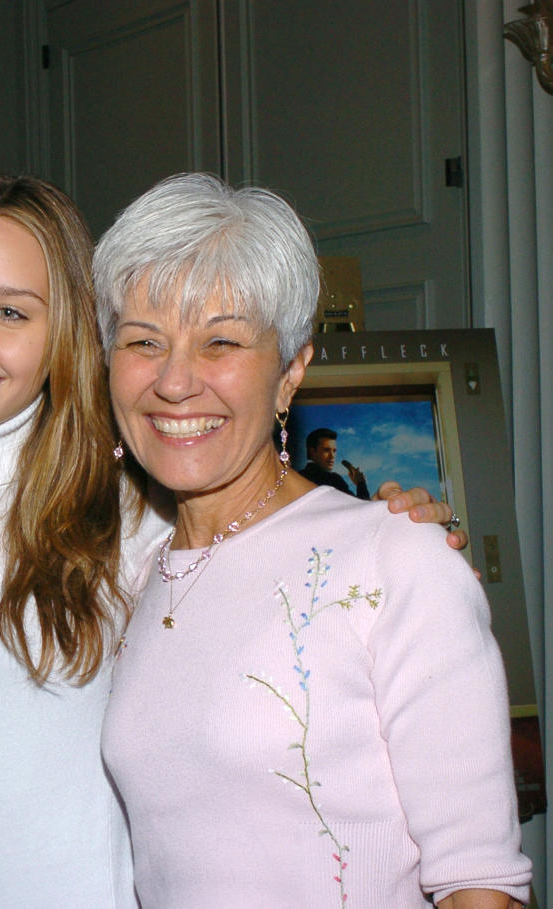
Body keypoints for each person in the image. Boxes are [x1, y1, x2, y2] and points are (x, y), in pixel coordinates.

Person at [0, 174, 465, 907]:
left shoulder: (138, 512)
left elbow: (296, 567)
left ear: (67, 336)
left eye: (11, 310)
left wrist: (399, 533)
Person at [95, 173, 530, 907]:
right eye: (144, 341)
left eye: (221, 341)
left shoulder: (396, 559)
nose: (174, 381)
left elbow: (480, 882)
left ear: (291, 370)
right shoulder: (133, 572)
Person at [301, 426, 370, 498]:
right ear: (312, 451)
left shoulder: (297, 476)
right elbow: (362, 507)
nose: (332, 456)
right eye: (326, 450)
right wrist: (361, 483)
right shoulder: (333, 480)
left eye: (334, 451)